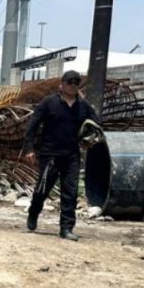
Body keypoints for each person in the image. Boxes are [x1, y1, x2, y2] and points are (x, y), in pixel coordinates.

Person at [22, 70, 101, 241]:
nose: (73, 85)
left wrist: (89, 139)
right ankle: (33, 213)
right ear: (62, 84)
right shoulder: (49, 103)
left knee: (70, 193)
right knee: (42, 190)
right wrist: (29, 149)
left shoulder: (83, 106)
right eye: (70, 82)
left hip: (71, 156)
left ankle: (66, 228)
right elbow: (32, 126)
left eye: (76, 82)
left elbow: (96, 124)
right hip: (50, 155)